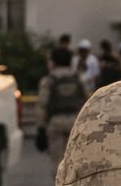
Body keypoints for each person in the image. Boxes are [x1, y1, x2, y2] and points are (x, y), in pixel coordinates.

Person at [32, 45, 86, 179]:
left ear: (54, 62)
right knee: (75, 159)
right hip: (75, 121)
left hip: (55, 122)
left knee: (58, 160)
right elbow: (85, 100)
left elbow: (42, 105)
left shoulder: (49, 80)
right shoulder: (77, 78)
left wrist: (40, 128)